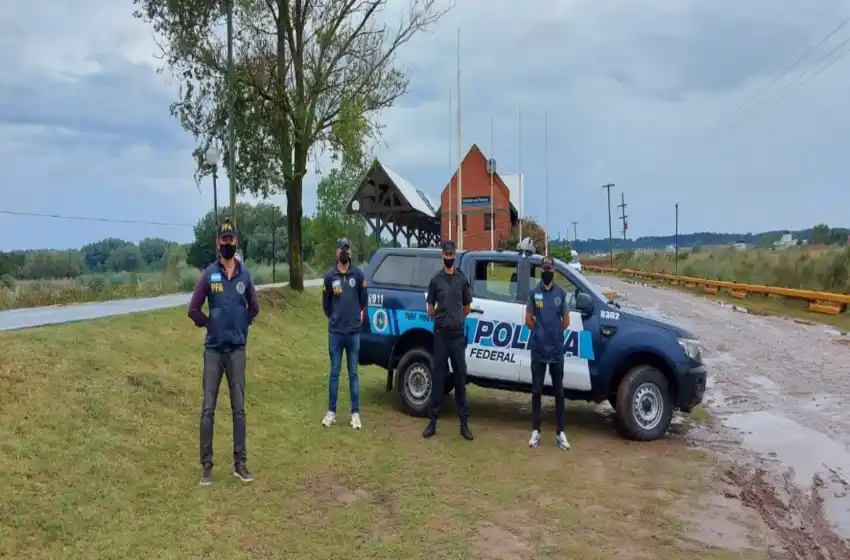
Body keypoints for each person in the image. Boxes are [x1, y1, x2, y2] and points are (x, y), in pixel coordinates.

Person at [188, 219, 261, 485]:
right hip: (214, 352)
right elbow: (193, 309)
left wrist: (242, 324)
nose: (228, 244)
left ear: (236, 241)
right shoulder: (209, 274)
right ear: (218, 243)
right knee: (208, 408)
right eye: (223, 240)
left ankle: (240, 464)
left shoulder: (245, 276)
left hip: (237, 351)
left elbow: (254, 308)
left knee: (238, 409)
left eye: (231, 239)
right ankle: (206, 466)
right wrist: (210, 324)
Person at [423, 240, 474, 441]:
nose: (449, 258)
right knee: (438, 379)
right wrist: (443, 317)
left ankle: (464, 425)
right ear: (441, 256)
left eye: (452, 255)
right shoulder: (436, 280)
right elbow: (430, 309)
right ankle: (432, 422)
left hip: (457, 337)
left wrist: (456, 317)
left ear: (455, 256)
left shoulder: (462, 279)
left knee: (460, 379)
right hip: (441, 336)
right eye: (446, 255)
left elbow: (467, 307)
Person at [525, 255, 571, 450]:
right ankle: (536, 431)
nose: (546, 272)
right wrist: (540, 331)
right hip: (538, 350)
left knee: (559, 392)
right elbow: (528, 319)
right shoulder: (534, 293)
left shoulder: (561, 294)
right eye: (543, 268)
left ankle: (560, 432)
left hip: (556, 352)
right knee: (536, 392)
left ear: (554, 271)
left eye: (549, 269)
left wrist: (554, 333)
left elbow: (566, 322)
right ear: (541, 270)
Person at [321, 237, 367, 430]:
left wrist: (357, 318)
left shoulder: (358, 274)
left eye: (347, 249)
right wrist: (333, 318)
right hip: (336, 333)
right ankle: (331, 412)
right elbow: (326, 304)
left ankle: (355, 414)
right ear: (336, 251)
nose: (344, 252)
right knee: (334, 373)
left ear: (350, 252)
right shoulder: (329, 276)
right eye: (341, 249)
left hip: (353, 333)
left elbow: (363, 301)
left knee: (354, 373)